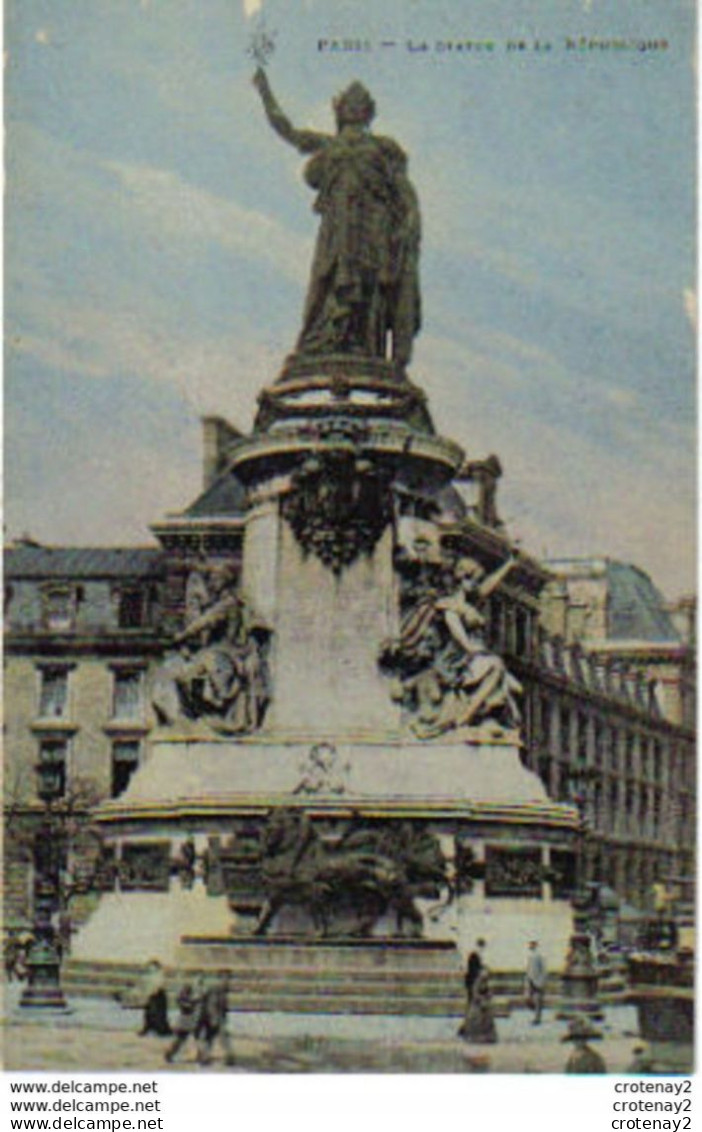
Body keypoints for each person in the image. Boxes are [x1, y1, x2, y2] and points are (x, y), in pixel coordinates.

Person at [253, 67, 421, 367]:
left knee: (369, 288)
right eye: (348, 104)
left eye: (361, 105)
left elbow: (404, 192)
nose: (355, 109)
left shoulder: (384, 149)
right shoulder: (328, 145)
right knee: (327, 280)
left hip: (373, 228)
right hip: (337, 228)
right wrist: (265, 91)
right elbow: (287, 130)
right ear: (340, 111)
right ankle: (323, 340)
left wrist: (409, 222)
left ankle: (363, 346)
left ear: (369, 113)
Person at [197, 971, 235, 1067]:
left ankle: (205, 1057)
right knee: (221, 1037)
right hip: (212, 1017)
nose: (227, 981)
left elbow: (222, 1006)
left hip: (214, 1017)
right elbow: (212, 1005)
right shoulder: (216, 990)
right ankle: (228, 1057)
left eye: (228, 978)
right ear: (220, 978)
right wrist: (215, 1018)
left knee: (211, 1038)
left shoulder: (222, 989)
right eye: (224, 978)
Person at [165, 977, 205, 1064]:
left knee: (192, 1039)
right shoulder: (184, 1001)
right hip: (185, 1022)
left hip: (189, 1021)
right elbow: (191, 1004)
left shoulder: (186, 1000)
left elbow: (196, 1001)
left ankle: (198, 1055)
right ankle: (169, 1054)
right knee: (181, 1040)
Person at [458, 968, 497, 1044]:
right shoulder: (477, 983)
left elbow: (489, 992)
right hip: (477, 1004)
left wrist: (488, 997)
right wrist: (481, 999)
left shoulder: (486, 983)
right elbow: (475, 993)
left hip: (485, 1004)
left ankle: (487, 1036)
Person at [138, 960, 171, 1037]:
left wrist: (154, 991)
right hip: (151, 995)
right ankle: (148, 1027)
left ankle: (160, 1029)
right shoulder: (149, 976)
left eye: (152, 967)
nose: (150, 968)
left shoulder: (160, 974)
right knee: (149, 1013)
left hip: (158, 996)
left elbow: (160, 985)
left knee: (158, 1014)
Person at [525, 940, 547, 1025]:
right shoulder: (530, 955)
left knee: (538, 1000)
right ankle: (535, 1016)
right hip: (531, 980)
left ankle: (537, 1018)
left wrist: (541, 981)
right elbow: (528, 969)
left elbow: (544, 970)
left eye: (532, 944)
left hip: (537, 981)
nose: (530, 945)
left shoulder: (539, 956)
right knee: (531, 1000)